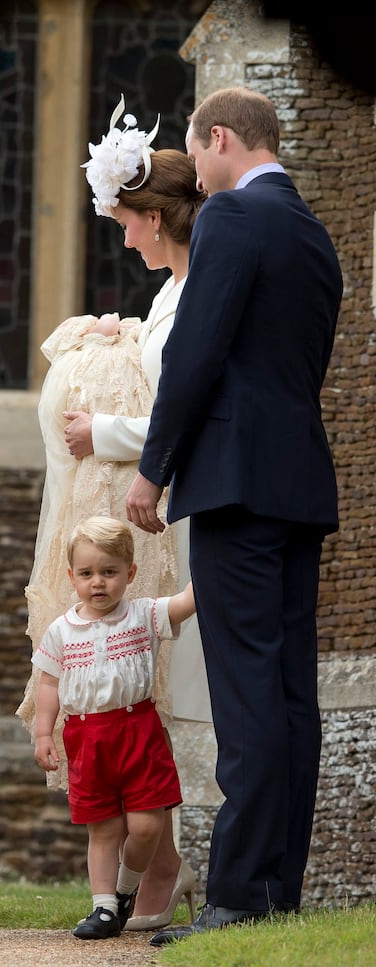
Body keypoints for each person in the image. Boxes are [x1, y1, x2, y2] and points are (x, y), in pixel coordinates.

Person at [125, 87, 343, 944]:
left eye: (195, 148)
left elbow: (195, 351)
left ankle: (237, 896)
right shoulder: (313, 234)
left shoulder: (229, 218)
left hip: (233, 483)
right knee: (291, 692)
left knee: (246, 690)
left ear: (218, 139)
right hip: (297, 483)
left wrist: (154, 470)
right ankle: (277, 887)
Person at [16, 96, 209, 931]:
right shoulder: (169, 291)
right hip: (145, 497)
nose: (122, 236)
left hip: (173, 502)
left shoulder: (196, 285)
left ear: (156, 216)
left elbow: (181, 400)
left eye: (127, 221)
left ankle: (164, 863)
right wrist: (115, 340)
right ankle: (147, 868)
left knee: (162, 688)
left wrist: (104, 428)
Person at [32, 515, 195, 940]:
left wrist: (215, 564)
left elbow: (185, 602)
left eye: (109, 572)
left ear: (130, 573)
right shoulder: (61, 631)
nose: (98, 583)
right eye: (87, 574)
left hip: (138, 731)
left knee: (146, 826)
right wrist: (44, 732)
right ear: (72, 577)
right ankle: (103, 909)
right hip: (87, 738)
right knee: (103, 828)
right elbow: (48, 683)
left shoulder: (144, 614)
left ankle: (125, 891)